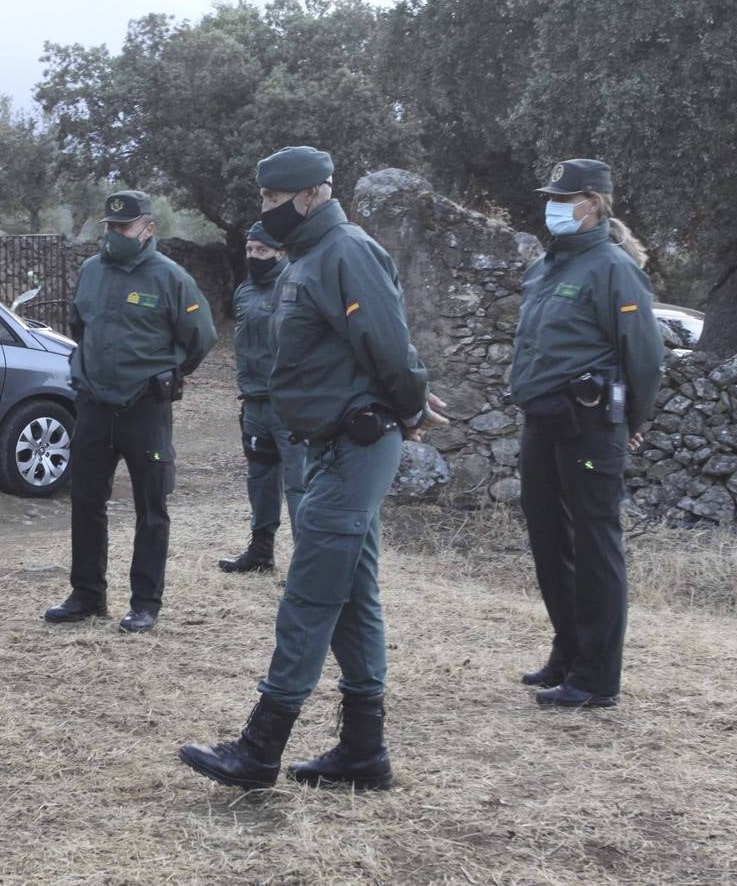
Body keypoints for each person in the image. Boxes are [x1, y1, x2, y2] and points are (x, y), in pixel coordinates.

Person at [179, 147, 445, 791]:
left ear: (311, 195)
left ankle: (259, 747)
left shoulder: (347, 251)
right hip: (328, 445)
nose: (265, 212)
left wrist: (409, 407)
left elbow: (388, 342)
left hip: (356, 444)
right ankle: (362, 752)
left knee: (309, 594)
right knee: (353, 596)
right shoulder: (309, 258)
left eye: (274, 201)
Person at [509, 158, 663, 709]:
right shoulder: (546, 266)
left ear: (592, 203)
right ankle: (568, 651)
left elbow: (643, 356)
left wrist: (630, 424)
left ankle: (597, 676)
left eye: (564, 197)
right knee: (550, 541)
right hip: (544, 419)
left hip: (592, 424)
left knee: (595, 545)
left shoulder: (613, 268)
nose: (553, 206)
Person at [44, 190, 217, 633]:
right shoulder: (90, 271)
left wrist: (171, 374)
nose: (115, 235)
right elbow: (80, 326)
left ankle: (145, 602)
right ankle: (87, 595)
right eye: (110, 227)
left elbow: (201, 336)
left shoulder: (170, 278)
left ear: (148, 228)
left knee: (151, 506)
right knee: (85, 501)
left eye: (124, 227)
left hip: (144, 406)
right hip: (94, 404)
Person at [217, 222, 308, 574]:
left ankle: (306, 564)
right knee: (260, 478)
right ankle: (260, 551)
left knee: (298, 485)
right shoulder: (244, 292)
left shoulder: (296, 288)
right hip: (253, 401)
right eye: (250, 250)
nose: (254, 256)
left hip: (290, 405)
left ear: (281, 252)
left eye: (262, 250)